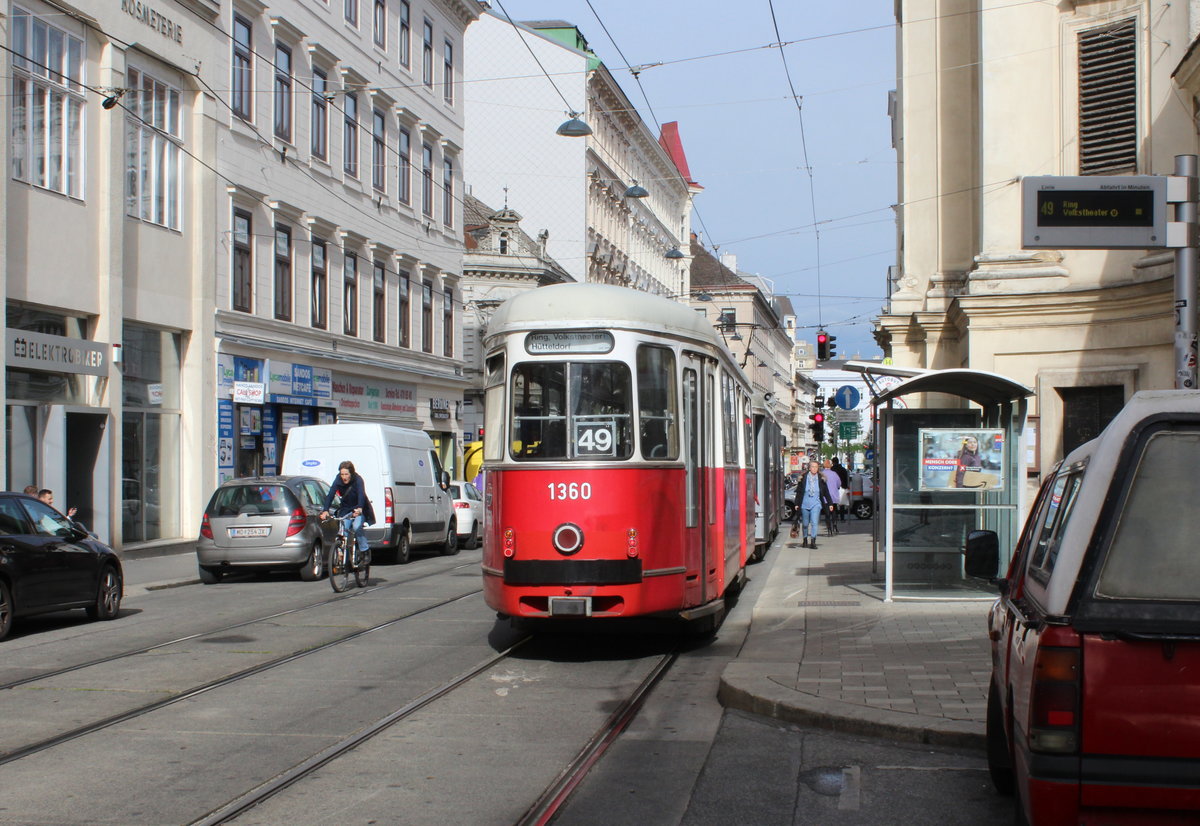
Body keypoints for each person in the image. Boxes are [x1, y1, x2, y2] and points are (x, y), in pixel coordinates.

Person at [319, 461, 375, 563]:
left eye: (346, 474)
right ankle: (344, 554)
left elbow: (361, 495)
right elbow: (331, 494)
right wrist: (325, 510)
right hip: (346, 509)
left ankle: (364, 549)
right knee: (343, 531)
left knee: (356, 526)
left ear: (351, 474)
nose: (344, 477)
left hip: (358, 508)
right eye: (342, 474)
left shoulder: (358, 480)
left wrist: (360, 508)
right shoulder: (338, 480)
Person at [792, 460, 833, 549]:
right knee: (805, 524)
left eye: (816, 467)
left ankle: (813, 541)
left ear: (818, 469)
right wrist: (796, 503)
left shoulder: (821, 479)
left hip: (816, 504)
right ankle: (805, 539)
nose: (814, 468)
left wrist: (830, 503)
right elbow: (799, 492)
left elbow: (826, 492)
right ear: (809, 468)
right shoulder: (803, 478)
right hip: (804, 504)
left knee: (814, 522)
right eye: (813, 467)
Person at [822, 460, 842, 536]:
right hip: (834, 496)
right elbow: (839, 484)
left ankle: (829, 529)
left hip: (825, 497)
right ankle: (835, 525)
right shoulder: (834, 474)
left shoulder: (822, 474)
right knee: (834, 511)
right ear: (831, 465)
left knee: (827, 513)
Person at [831, 457, 851, 521]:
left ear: (833, 462)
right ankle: (842, 518)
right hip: (842, 487)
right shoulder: (843, 469)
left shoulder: (832, 470)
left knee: (834, 503)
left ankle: (835, 516)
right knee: (842, 503)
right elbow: (846, 478)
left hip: (833, 488)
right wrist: (846, 486)